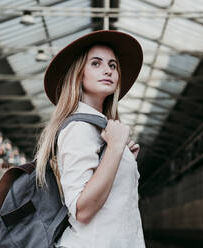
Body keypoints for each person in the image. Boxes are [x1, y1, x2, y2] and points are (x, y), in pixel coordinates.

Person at [34, 30, 145, 248]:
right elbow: (82, 210)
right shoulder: (78, 128)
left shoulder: (101, 130)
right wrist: (114, 150)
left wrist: (123, 158)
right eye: (96, 63)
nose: (108, 70)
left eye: (113, 65)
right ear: (78, 74)